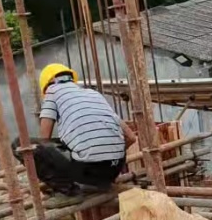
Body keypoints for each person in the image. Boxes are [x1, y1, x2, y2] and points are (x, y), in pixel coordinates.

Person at [32, 63, 136, 194]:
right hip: (113, 171)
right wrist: (107, 156)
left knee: (23, 145)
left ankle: (67, 189)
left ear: (47, 85)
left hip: (86, 172)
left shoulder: (52, 92)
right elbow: (131, 137)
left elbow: (44, 141)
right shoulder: (94, 94)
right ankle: (99, 181)